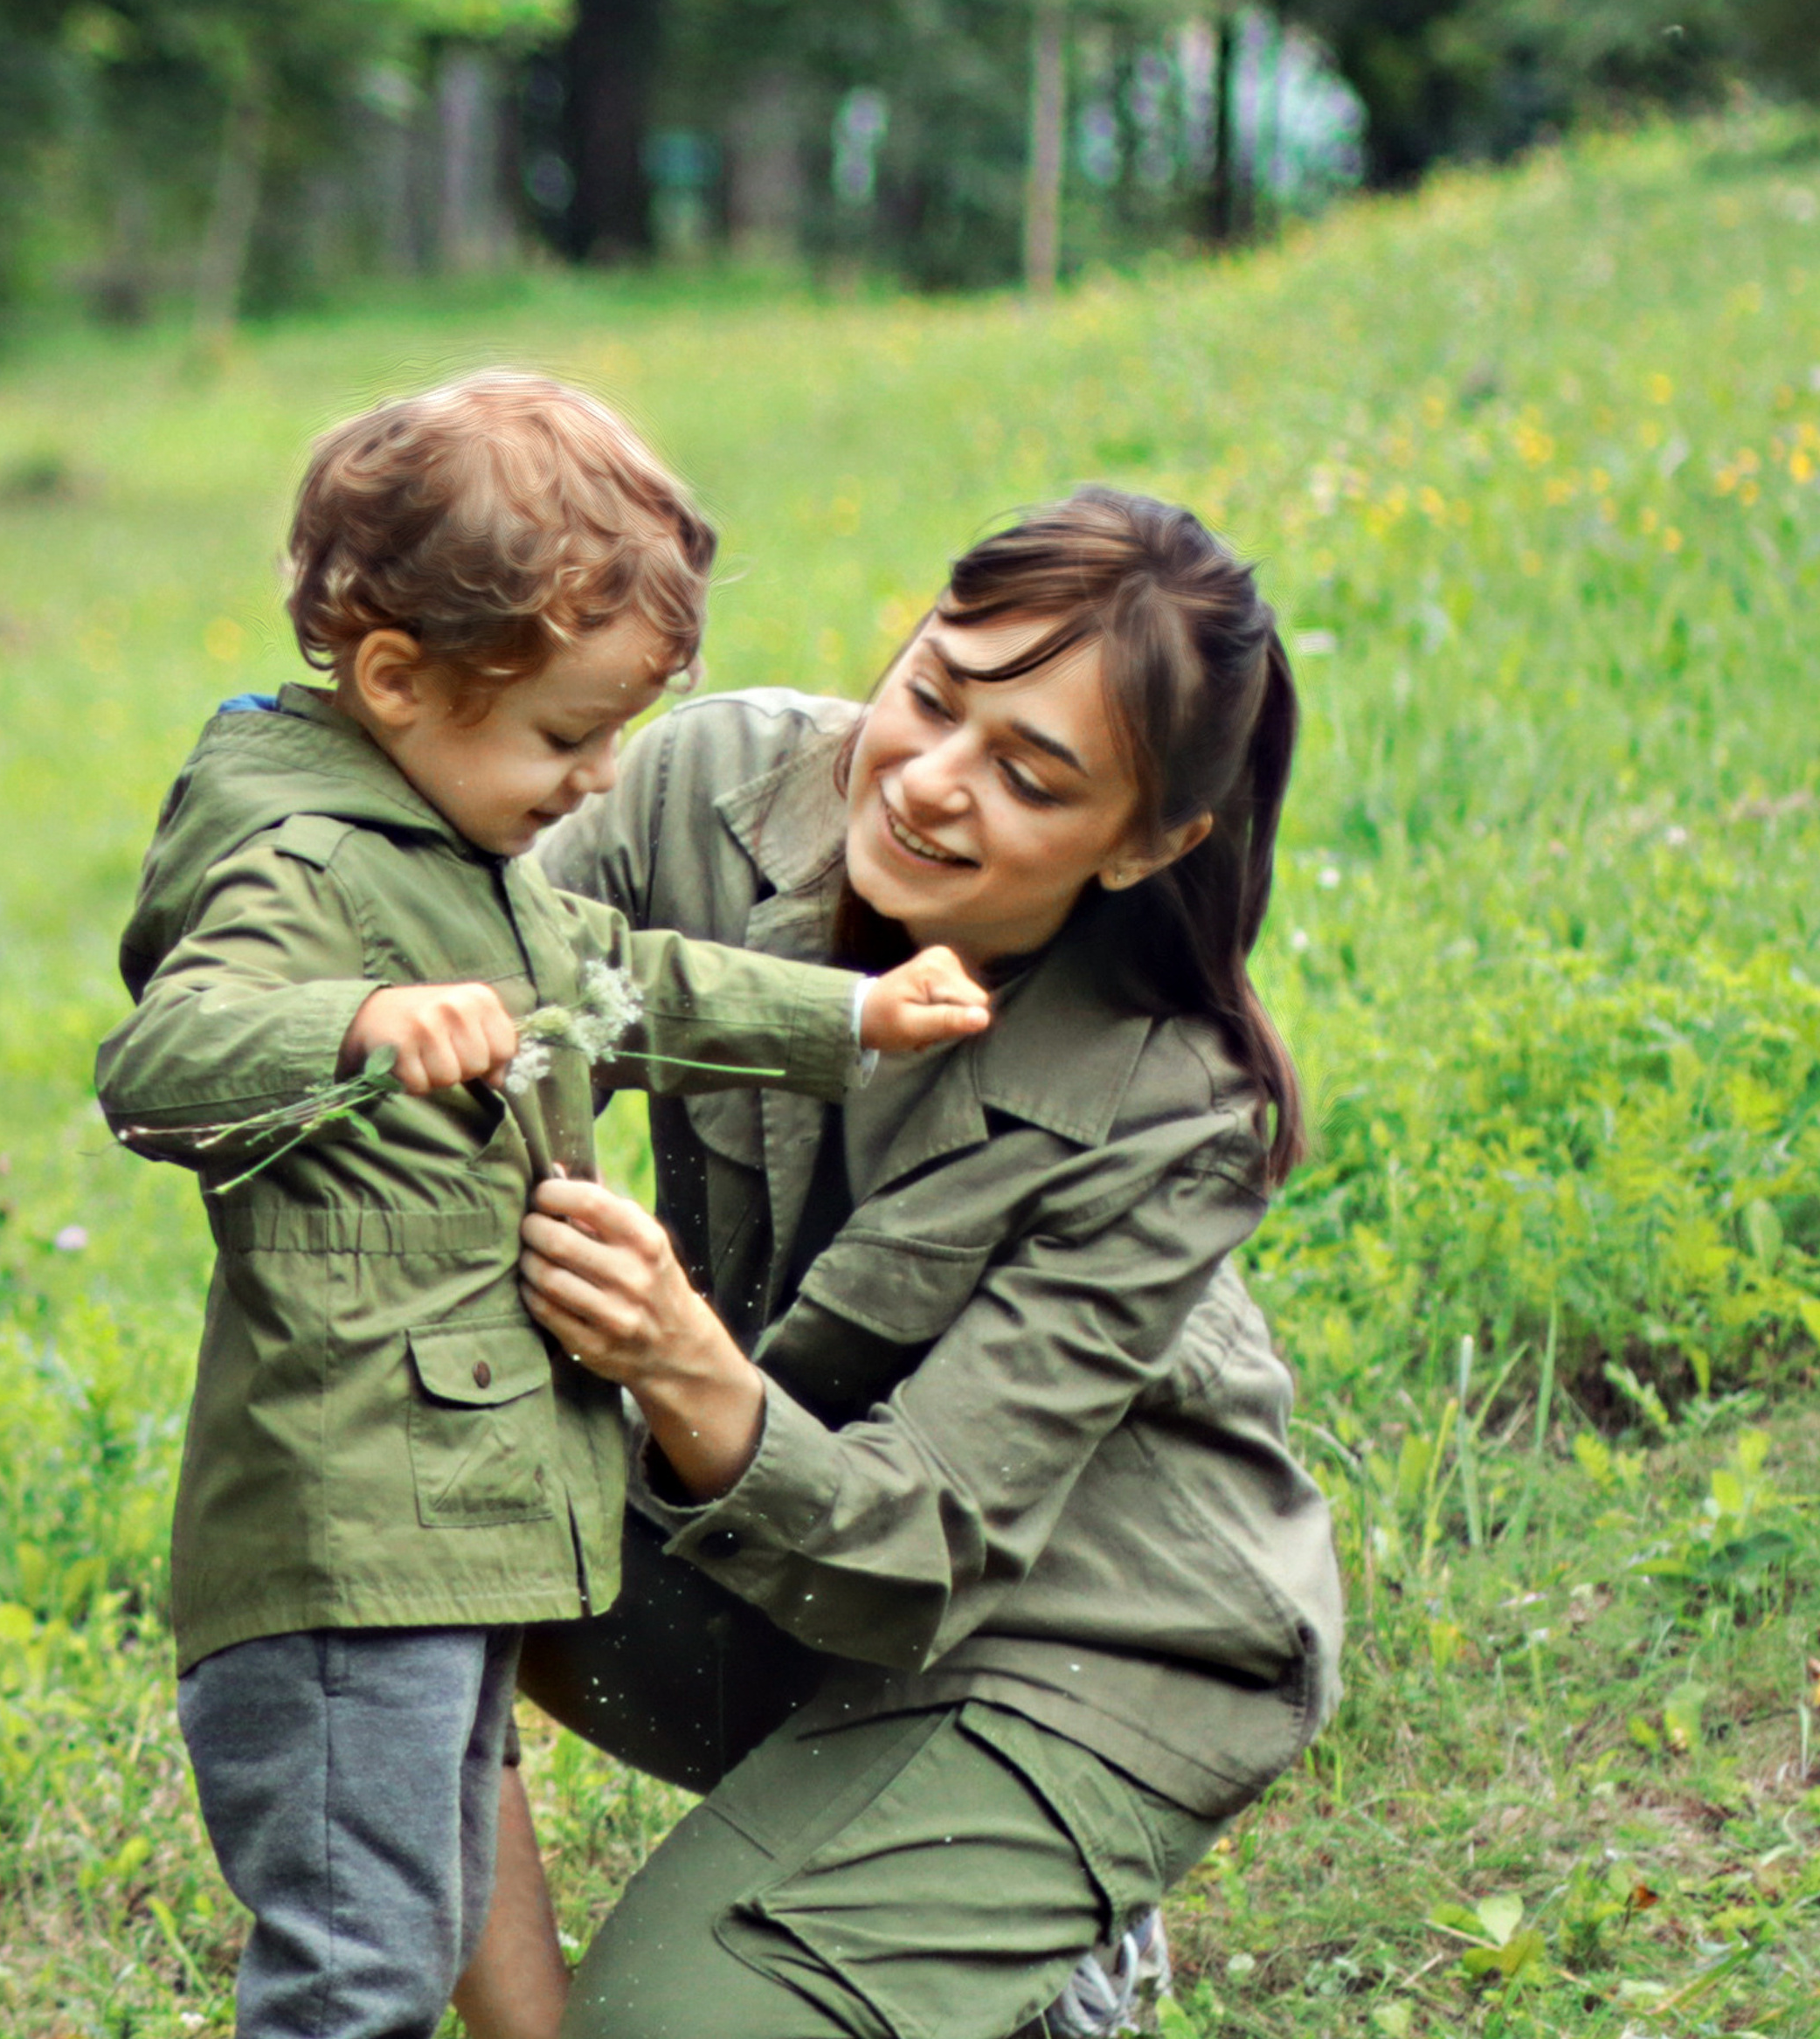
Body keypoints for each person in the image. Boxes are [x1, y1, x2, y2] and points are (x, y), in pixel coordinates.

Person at [93, 372, 991, 2039]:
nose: (597, 784)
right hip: (348, 1530)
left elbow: (626, 989)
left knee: (416, 1923)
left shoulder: (458, 857)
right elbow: (161, 1057)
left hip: (446, 1517)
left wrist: (850, 1016)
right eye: (566, 737)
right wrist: (354, 1023)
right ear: (393, 678)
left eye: (617, 739)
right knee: (355, 1972)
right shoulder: (298, 864)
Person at [456, 487, 1346, 2039]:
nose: (931, 783)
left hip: (1086, 1642)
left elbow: (923, 1541)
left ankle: (1046, 1920)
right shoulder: (703, 786)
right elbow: (434, 977)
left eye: (1030, 777)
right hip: (773, 1574)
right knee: (383, 1459)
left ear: (1149, 843)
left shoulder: (1172, 1105)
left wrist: (675, 1357)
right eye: (934, 691)